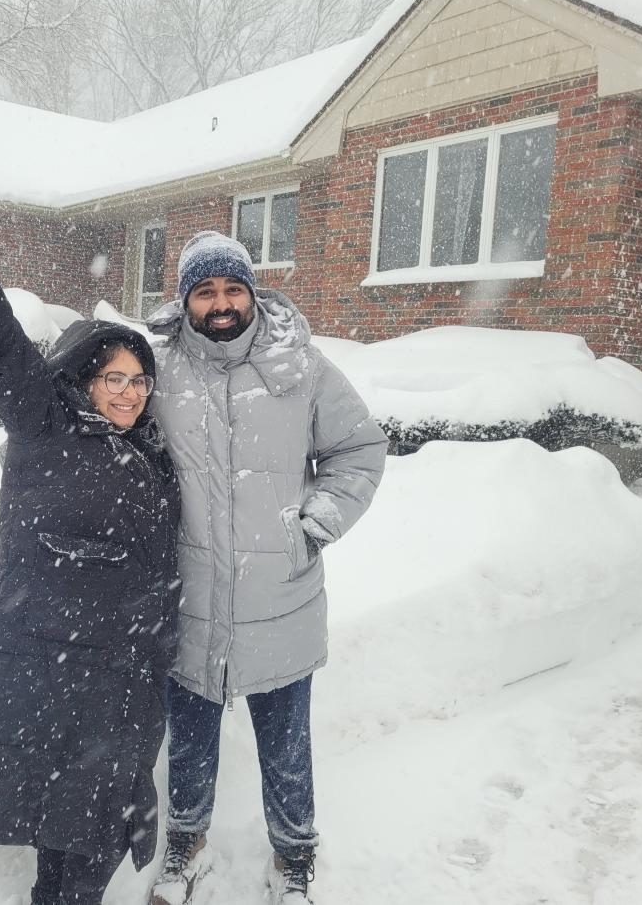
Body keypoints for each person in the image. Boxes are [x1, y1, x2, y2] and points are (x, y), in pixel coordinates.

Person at [0, 214, 181, 905]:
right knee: (79, 837)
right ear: (83, 379)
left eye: (140, 379)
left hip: (125, 679)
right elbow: (1, 352)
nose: (128, 391)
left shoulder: (150, 450)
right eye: (113, 377)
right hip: (57, 671)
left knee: (84, 835)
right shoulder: (45, 428)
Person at [144, 231, 388, 905]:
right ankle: (185, 846)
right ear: (186, 299)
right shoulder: (158, 370)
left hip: (280, 595)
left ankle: (294, 858)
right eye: (206, 290)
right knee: (188, 745)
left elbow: (359, 449)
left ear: (251, 293)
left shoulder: (301, 367)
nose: (221, 303)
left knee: (285, 746)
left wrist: (315, 524)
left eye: (232, 289)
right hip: (188, 600)